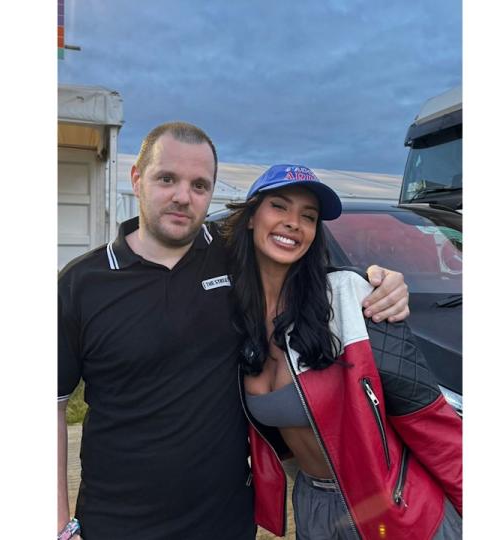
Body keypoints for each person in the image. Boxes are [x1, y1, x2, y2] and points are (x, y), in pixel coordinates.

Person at [57, 122, 411, 540]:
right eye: (167, 179)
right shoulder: (82, 283)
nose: (183, 197)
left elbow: (302, 267)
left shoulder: (233, 260)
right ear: (137, 177)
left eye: (200, 185)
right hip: (118, 522)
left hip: (224, 520)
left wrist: (382, 281)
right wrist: (60, 526)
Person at [221, 164, 463, 539]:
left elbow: (426, 416)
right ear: (252, 216)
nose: (293, 222)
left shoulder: (348, 296)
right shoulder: (231, 314)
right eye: (279, 207)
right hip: (313, 505)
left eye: (309, 216)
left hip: (395, 507)